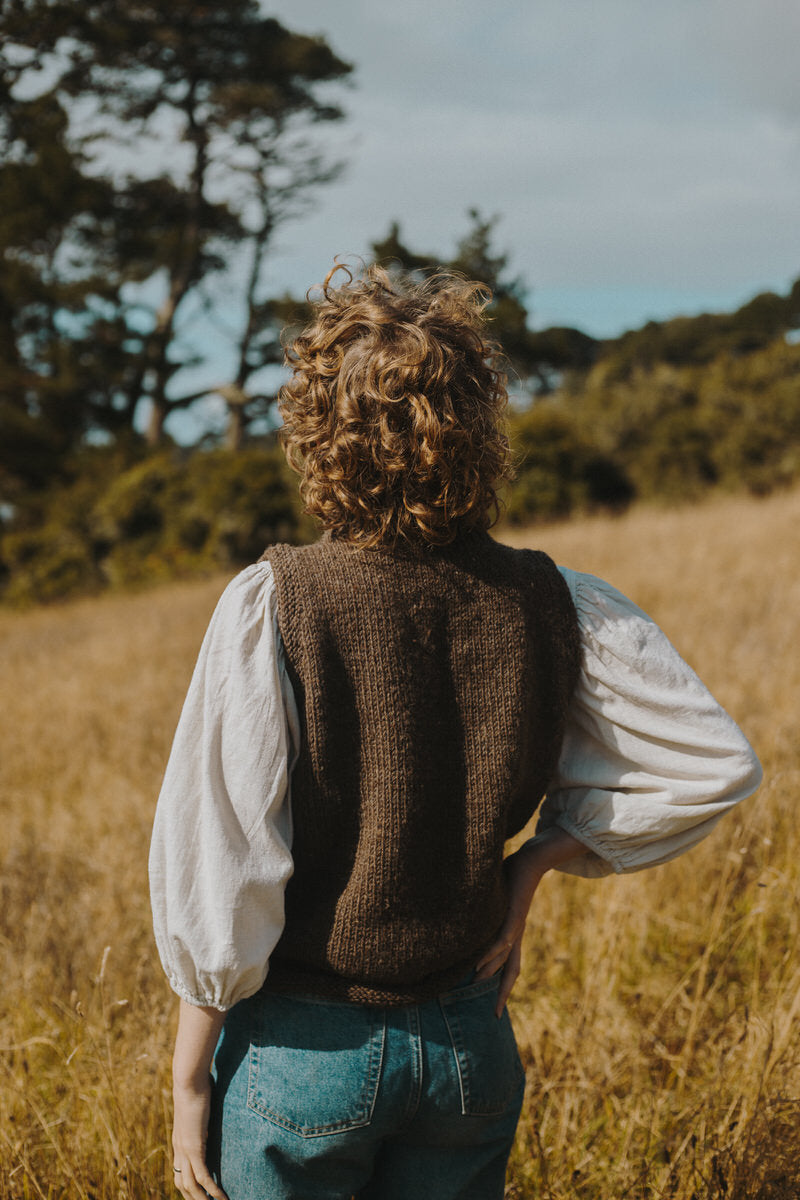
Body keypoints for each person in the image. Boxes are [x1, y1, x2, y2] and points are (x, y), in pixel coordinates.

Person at [149, 264, 762, 1200]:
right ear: (479, 427)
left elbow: (225, 862)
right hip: (470, 1049)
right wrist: (536, 863)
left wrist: (191, 1076)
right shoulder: (552, 599)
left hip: (303, 1051)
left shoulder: (278, 602)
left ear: (318, 428)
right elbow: (714, 762)